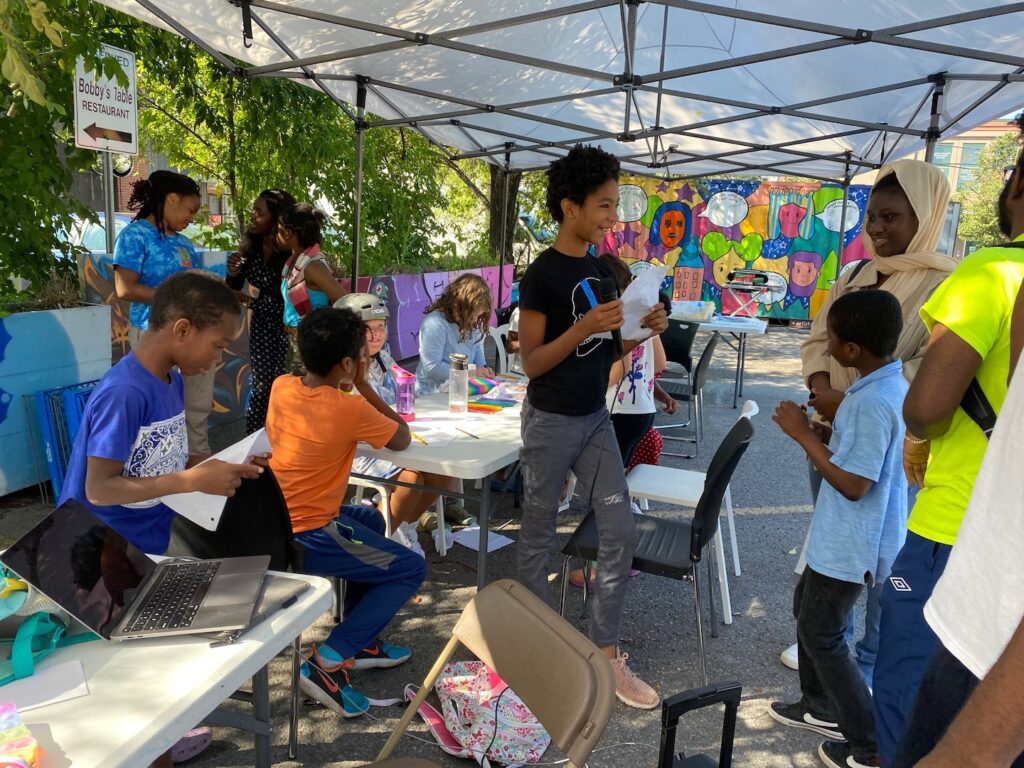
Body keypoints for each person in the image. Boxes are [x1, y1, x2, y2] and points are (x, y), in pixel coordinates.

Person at [877, 112, 1024, 766]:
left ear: (1016, 185)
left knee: (909, 695)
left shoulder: (990, 273)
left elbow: (927, 408)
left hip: (957, 528)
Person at [783, 159, 957, 680]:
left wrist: (854, 400)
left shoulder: (946, 283)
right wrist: (823, 390)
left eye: (891, 218)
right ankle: (826, 640)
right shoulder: (857, 275)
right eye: (873, 218)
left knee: (885, 559)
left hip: (893, 445)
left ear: (923, 216)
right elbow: (818, 338)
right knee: (837, 545)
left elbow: (936, 369)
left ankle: (870, 658)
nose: (878, 230)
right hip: (833, 430)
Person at [515, 144, 668, 710]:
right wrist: (583, 328)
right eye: (604, 206)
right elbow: (531, 362)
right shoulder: (543, 275)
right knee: (537, 538)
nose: (613, 217)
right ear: (569, 206)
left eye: (614, 206)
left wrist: (645, 328)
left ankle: (605, 654)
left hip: (594, 416)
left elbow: (608, 348)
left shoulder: (602, 271)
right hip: (551, 420)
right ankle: (534, 652)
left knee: (620, 529)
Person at [770, 290, 909, 768]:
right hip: (837, 536)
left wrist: (804, 434)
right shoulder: (879, 387)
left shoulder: (872, 402)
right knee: (806, 613)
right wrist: (832, 435)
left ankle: (869, 744)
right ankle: (819, 706)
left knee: (824, 634)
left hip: (852, 542)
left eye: (831, 341)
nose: (826, 350)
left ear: (852, 350)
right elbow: (866, 456)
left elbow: (854, 483)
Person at [265, 306, 425, 718]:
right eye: (362, 358)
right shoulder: (348, 407)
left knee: (372, 519)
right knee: (409, 569)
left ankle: (361, 638)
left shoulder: (282, 386)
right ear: (349, 364)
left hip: (275, 520)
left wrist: (351, 380)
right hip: (310, 532)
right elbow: (403, 438)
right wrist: (361, 386)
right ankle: (328, 661)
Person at [891, 289, 1024, 768]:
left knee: (904, 683)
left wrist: (972, 751)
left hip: (961, 544)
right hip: (982, 562)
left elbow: (925, 410)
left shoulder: (988, 273)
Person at [58, 271, 260, 555]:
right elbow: (99, 489)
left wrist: (234, 464)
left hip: (146, 544)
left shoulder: (173, 381)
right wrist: (190, 481)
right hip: (99, 550)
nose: (217, 359)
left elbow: (170, 459)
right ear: (182, 330)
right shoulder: (125, 392)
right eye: (218, 346)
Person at [334, 293, 459, 552]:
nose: (376, 334)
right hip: (362, 449)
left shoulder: (383, 358)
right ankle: (382, 541)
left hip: (391, 437)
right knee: (411, 477)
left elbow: (404, 395)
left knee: (443, 468)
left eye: (380, 327)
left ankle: (404, 526)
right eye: (367, 329)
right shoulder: (344, 370)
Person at [113, 170, 219, 457]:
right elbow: (125, 288)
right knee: (159, 408)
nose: (192, 218)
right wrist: (177, 297)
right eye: (190, 209)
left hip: (193, 336)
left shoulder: (184, 243)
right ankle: (158, 471)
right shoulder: (135, 235)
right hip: (153, 335)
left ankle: (197, 469)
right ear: (171, 199)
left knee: (196, 407)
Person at [226, 189, 297, 433]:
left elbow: (290, 300)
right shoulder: (252, 247)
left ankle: (283, 441)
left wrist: (251, 301)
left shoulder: (293, 252)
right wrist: (233, 272)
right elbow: (233, 288)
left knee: (285, 386)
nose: (252, 215)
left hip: (290, 328)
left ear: (276, 218)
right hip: (263, 328)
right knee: (262, 387)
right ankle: (254, 444)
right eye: (253, 210)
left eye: (259, 211)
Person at [415, 274, 495, 394]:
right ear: (457, 305)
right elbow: (432, 367)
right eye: (473, 314)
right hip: (432, 395)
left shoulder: (469, 322)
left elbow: (476, 346)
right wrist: (472, 372)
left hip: (460, 390)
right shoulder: (435, 323)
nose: (475, 320)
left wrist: (483, 369)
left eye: (478, 315)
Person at [277, 203, 345, 329]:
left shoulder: (313, 267)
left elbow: (345, 302)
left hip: (313, 341)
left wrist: (317, 330)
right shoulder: (293, 264)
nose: (275, 236)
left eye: (278, 231)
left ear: (288, 233)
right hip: (298, 339)